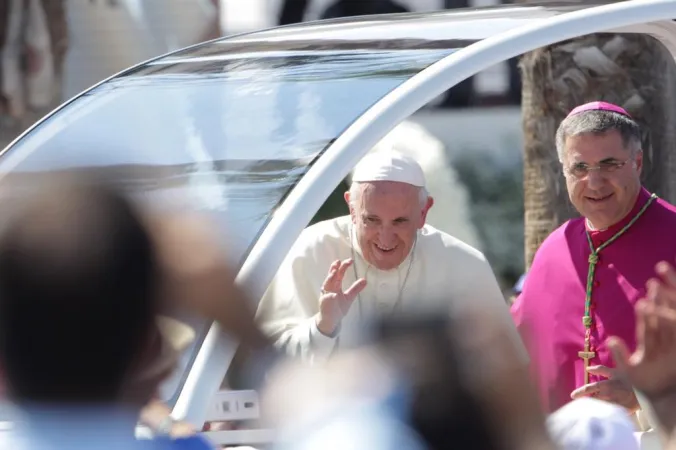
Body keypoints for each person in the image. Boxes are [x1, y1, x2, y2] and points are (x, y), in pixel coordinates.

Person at [256, 151, 523, 362]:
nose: (385, 238)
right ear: (351, 206)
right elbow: (264, 363)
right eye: (371, 220)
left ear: (423, 213)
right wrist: (322, 327)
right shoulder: (309, 251)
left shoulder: (465, 264)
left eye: (399, 222)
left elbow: (505, 367)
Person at [510, 101, 676, 414]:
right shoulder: (554, 250)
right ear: (564, 171)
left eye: (609, 164)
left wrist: (644, 395)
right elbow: (513, 351)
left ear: (637, 162)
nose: (595, 182)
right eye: (580, 168)